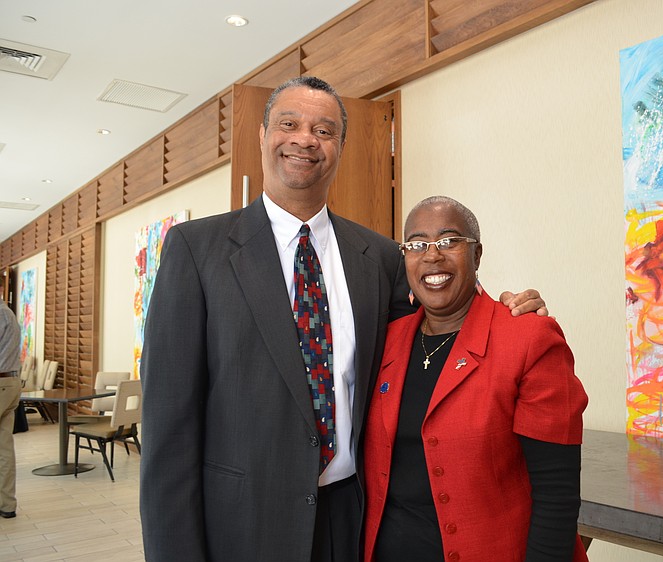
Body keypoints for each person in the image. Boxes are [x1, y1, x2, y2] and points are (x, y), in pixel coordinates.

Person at [139, 76, 546, 561]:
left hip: (352, 521)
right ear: (263, 135)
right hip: (242, 525)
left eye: (324, 130)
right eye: (288, 124)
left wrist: (507, 317)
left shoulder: (378, 256)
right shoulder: (195, 250)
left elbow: (435, 337)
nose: (305, 139)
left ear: (341, 147)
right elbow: (169, 432)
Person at [363, 196, 589, 562]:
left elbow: (557, 497)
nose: (432, 256)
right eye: (417, 244)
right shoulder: (387, 340)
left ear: (477, 255)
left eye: (449, 241)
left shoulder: (528, 339)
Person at [0, 300, 22, 519]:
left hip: (1, 383)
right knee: (4, 448)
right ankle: (7, 504)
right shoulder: (9, 314)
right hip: (10, 382)